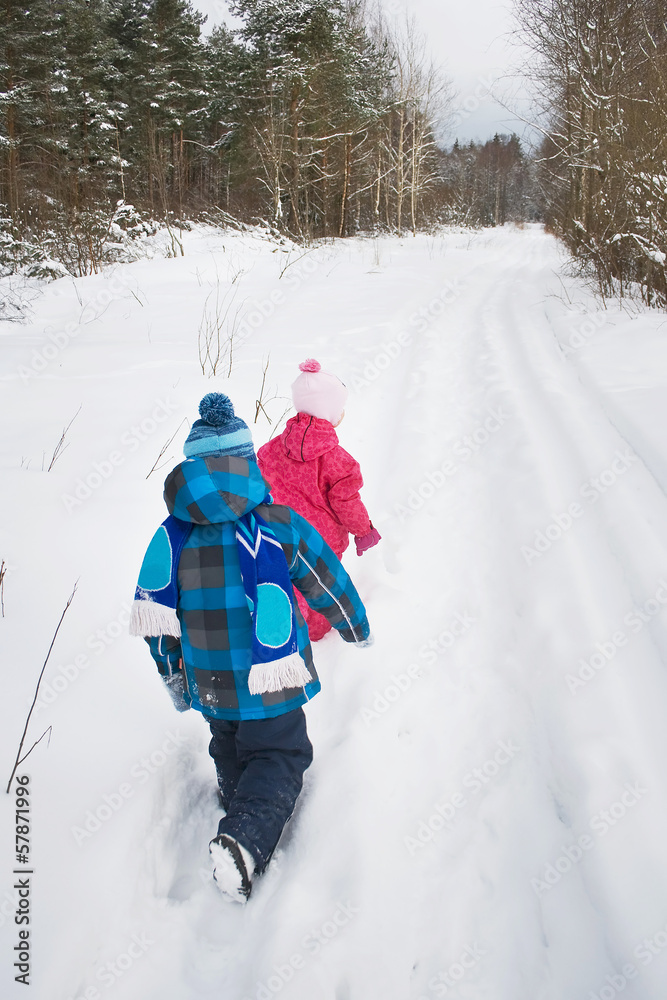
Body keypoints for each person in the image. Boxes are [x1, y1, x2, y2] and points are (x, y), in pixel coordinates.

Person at [130, 393, 371, 904]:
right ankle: (244, 840)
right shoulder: (278, 523)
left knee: (228, 740)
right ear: (247, 461)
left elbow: (159, 623)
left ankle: (237, 803)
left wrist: (176, 678)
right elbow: (326, 581)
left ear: (192, 468)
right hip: (271, 678)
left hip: (208, 678)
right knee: (283, 752)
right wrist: (354, 626)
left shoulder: (171, 537)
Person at [258, 359, 380, 641]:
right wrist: (364, 531)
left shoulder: (271, 450)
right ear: (330, 414)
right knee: (320, 585)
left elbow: (260, 488)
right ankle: (313, 636)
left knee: (289, 583)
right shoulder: (339, 461)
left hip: (280, 534)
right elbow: (346, 502)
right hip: (321, 541)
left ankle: (282, 630)